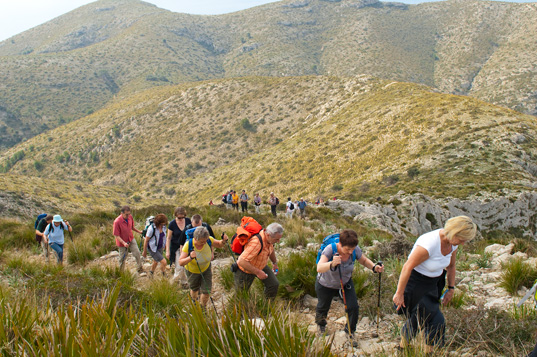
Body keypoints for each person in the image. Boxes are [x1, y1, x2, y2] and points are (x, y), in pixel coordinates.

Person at [393, 216, 477, 352]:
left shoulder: (452, 243)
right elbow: (407, 267)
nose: (462, 244)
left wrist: (451, 288)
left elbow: (451, 266)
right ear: (454, 233)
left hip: (434, 284)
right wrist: (399, 293)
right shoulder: (429, 244)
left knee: (418, 318)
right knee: (435, 320)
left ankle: (405, 349)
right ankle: (418, 351)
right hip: (416, 284)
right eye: (462, 240)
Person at [315, 229, 384, 341]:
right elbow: (319, 267)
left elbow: (364, 260)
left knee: (353, 307)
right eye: (347, 249)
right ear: (340, 244)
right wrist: (332, 263)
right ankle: (321, 325)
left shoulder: (354, 250)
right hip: (325, 284)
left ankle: (350, 331)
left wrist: (374, 267)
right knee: (323, 306)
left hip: (345, 282)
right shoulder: (330, 249)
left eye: (352, 249)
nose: (350, 252)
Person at [178, 226, 228, 308]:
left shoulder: (208, 240)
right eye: (202, 242)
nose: (204, 243)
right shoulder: (188, 245)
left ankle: (202, 308)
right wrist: (190, 257)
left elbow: (219, 244)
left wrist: (223, 241)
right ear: (195, 239)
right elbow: (180, 262)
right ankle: (194, 302)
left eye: (205, 241)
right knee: (194, 289)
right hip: (192, 271)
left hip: (206, 269)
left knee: (206, 291)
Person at [234, 222, 283, 298]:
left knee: (273, 284)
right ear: (268, 235)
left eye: (279, 239)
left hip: (260, 265)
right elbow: (241, 261)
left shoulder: (270, 240)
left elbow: (271, 249)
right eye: (276, 239)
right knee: (241, 296)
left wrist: (275, 263)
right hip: (245, 270)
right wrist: (258, 272)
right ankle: (244, 309)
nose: (278, 241)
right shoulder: (256, 243)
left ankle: (267, 305)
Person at [113, 205, 144, 273]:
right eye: (126, 214)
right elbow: (116, 235)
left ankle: (139, 268)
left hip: (130, 238)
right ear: (122, 213)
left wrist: (139, 232)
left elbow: (132, 227)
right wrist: (124, 243)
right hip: (122, 243)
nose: (128, 216)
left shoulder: (130, 217)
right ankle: (121, 272)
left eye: (129, 214)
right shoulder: (117, 222)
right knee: (122, 258)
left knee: (137, 253)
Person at [166, 207, 192, 285]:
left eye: (182, 217)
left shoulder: (188, 221)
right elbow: (168, 238)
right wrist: (167, 251)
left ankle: (184, 282)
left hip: (187, 246)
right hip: (176, 247)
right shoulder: (172, 224)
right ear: (175, 216)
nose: (181, 219)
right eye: (179, 217)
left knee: (187, 266)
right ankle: (172, 283)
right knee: (179, 266)